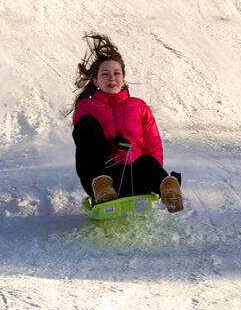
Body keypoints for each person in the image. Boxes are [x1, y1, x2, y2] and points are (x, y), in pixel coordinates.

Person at [71, 33, 183, 212]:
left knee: (147, 160)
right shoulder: (86, 106)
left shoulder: (139, 106)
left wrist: (154, 173)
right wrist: (110, 145)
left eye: (116, 73)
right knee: (86, 125)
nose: (111, 78)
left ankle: (168, 189)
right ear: (96, 80)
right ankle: (102, 186)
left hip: (135, 178)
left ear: (123, 79)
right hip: (101, 180)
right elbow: (85, 141)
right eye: (105, 74)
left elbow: (153, 145)